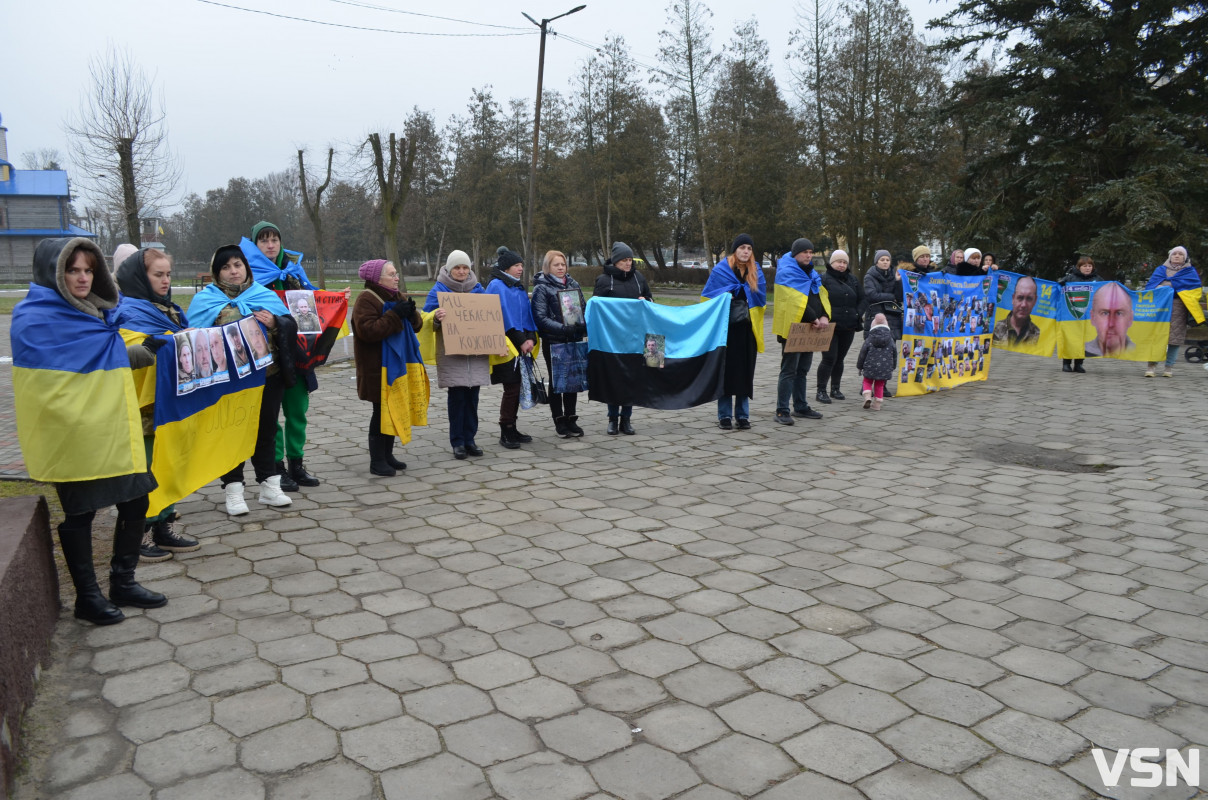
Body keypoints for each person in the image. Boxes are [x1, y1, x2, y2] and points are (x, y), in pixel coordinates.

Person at [13, 238, 167, 624]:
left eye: (88, 270)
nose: (82, 278)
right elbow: (49, 381)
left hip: (113, 427)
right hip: (73, 433)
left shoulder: (95, 314)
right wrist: (130, 352)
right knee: (80, 512)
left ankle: (123, 582)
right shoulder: (33, 317)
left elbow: (99, 355)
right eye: (73, 270)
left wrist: (144, 350)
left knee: (136, 500)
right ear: (54, 272)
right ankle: (88, 596)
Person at [188, 244, 293, 515]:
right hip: (228, 382)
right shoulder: (205, 300)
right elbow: (193, 336)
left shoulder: (264, 295)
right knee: (231, 432)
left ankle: (269, 485)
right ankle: (233, 490)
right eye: (226, 267)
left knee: (266, 429)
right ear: (216, 272)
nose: (233, 271)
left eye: (237, 265)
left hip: (267, 378)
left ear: (246, 267)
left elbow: (291, 326)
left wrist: (275, 323)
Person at [115, 247, 202, 562]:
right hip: (143, 405)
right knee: (146, 469)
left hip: (171, 400)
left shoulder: (173, 310)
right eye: (158, 275)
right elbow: (126, 351)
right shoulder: (127, 311)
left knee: (168, 465)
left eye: (168, 274)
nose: (165, 281)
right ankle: (136, 534)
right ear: (141, 276)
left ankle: (164, 525)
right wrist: (171, 342)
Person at [245, 221, 327, 491]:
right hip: (268, 355)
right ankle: (277, 468)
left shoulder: (294, 271)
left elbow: (314, 300)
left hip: (298, 351)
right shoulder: (248, 276)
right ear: (255, 245)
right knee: (272, 415)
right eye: (264, 240)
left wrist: (335, 298)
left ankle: (297, 464)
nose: (270, 245)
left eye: (274, 240)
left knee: (297, 411)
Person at [351, 259, 423, 475]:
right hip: (376, 367)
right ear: (377, 278)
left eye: (396, 274)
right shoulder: (366, 299)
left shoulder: (396, 296)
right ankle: (377, 460)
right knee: (380, 411)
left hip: (396, 364)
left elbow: (417, 326)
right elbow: (368, 331)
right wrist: (394, 315)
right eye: (392, 274)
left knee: (392, 409)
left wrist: (411, 313)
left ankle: (388, 455)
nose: (396, 277)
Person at [424, 251, 490, 459]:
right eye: (457, 268)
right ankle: (458, 442)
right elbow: (426, 319)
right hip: (452, 355)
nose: (461, 271)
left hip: (476, 355)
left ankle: (470, 439)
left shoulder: (479, 290)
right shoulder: (438, 291)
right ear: (449, 269)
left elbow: (490, 320)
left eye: (465, 268)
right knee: (457, 398)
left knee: (473, 398)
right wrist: (436, 317)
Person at [702, 234, 766, 430]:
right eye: (742, 247)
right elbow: (708, 297)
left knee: (745, 373)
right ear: (735, 249)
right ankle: (724, 416)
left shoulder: (757, 272)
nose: (746, 251)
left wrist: (746, 294)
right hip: (726, 330)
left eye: (749, 248)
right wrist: (728, 295)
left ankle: (743, 415)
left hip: (748, 330)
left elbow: (761, 299)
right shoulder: (722, 270)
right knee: (726, 373)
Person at [593, 241, 653, 435]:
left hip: (636, 338)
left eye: (630, 259)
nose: (628, 263)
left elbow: (651, 301)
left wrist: (647, 302)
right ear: (616, 261)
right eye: (624, 260)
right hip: (612, 340)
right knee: (614, 379)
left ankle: (626, 419)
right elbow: (596, 308)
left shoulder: (639, 278)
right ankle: (612, 418)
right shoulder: (603, 280)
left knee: (631, 379)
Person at [485, 248, 538, 449]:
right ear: (506, 267)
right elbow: (504, 317)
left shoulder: (517, 287)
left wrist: (531, 337)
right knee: (512, 387)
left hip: (522, 344)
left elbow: (526, 314)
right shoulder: (497, 286)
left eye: (521, 265)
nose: (520, 269)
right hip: (506, 345)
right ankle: (505, 429)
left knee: (518, 386)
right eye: (517, 265)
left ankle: (512, 427)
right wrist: (520, 339)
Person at [531, 250, 587, 438]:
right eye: (556, 265)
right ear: (548, 267)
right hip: (554, 340)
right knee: (557, 381)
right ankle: (559, 420)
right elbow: (540, 317)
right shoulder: (542, 288)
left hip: (574, 339)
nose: (561, 268)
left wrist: (582, 324)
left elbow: (583, 308)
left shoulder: (573, 284)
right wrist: (562, 328)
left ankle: (571, 418)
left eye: (562, 264)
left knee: (573, 380)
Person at [772, 238, 827, 424]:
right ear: (795, 253)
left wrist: (825, 315)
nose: (809, 255)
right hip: (792, 328)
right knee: (789, 370)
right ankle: (782, 410)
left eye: (811, 252)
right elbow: (794, 301)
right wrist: (813, 317)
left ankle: (801, 406)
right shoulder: (787, 272)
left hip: (810, 328)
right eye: (805, 252)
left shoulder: (811, 272)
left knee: (803, 370)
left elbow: (819, 295)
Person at [816, 249, 865, 404]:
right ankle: (821, 390)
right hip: (830, 326)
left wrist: (857, 313)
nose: (842, 265)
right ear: (832, 263)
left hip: (849, 325)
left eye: (844, 262)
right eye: (839, 262)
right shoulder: (823, 279)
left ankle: (835, 388)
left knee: (840, 359)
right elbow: (818, 300)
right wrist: (823, 315)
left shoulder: (853, 280)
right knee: (829, 358)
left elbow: (863, 299)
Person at [1144, 246, 1203, 377]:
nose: (1177, 256)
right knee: (1157, 337)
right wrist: (1166, 287)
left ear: (1185, 257)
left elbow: (1194, 291)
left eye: (1180, 254)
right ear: (1170, 256)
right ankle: (1151, 366)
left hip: (1179, 308)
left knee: (1174, 339)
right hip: (1160, 307)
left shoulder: (1190, 272)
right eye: (1174, 254)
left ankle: (1168, 367)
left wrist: (1169, 287)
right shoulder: (1160, 270)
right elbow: (1150, 287)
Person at [1058, 256, 1101, 373]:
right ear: (1079, 267)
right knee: (1070, 338)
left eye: (1090, 266)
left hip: (1088, 317)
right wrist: (1061, 284)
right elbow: (1058, 288)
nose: (1087, 268)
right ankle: (1066, 363)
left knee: (1084, 339)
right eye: (1084, 266)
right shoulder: (1071, 278)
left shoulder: (1097, 280)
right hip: (1071, 316)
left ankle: (1079, 364)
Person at [857, 313, 896, 411]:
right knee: (880, 385)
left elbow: (863, 353)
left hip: (870, 365)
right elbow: (895, 354)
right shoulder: (891, 339)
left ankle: (867, 397)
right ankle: (877, 405)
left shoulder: (869, 339)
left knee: (867, 381)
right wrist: (893, 366)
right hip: (885, 366)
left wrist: (860, 366)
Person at [1084, 282, 1135, 357]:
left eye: (1119, 313)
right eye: (1105, 313)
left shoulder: (1140, 350)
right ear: (1093, 317)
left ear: (1130, 318)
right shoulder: (1081, 350)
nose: (1111, 324)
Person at [864, 249, 903, 341]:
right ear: (876, 262)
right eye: (882, 260)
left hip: (893, 316)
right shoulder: (869, 276)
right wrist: (892, 297)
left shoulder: (896, 275)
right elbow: (872, 295)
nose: (885, 262)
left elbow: (900, 297)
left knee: (891, 349)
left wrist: (898, 282)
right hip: (876, 315)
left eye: (887, 260)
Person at [992, 275, 1041, 345]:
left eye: (1029, 299)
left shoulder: (1037, 333)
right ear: (1013, 298)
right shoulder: (995, 327)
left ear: (1035, 301)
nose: (1024, 305)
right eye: (1020, 298)